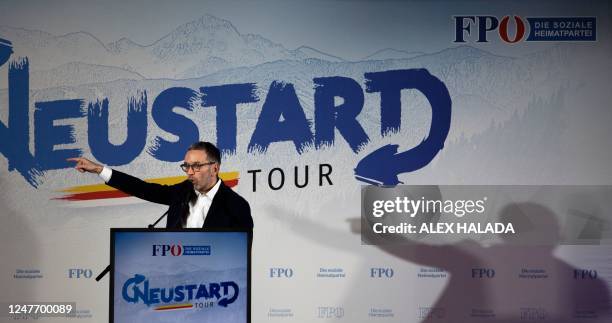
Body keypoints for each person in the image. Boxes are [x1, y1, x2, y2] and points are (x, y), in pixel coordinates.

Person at [67, 141, 253, 231]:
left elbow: (243, 256)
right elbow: (143, 189)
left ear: (214, 168)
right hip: (173, 284)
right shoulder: (181, 192)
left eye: (196, 166)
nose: (189, 172)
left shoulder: (236, 205)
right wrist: (100, 170)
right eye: (186, 166)